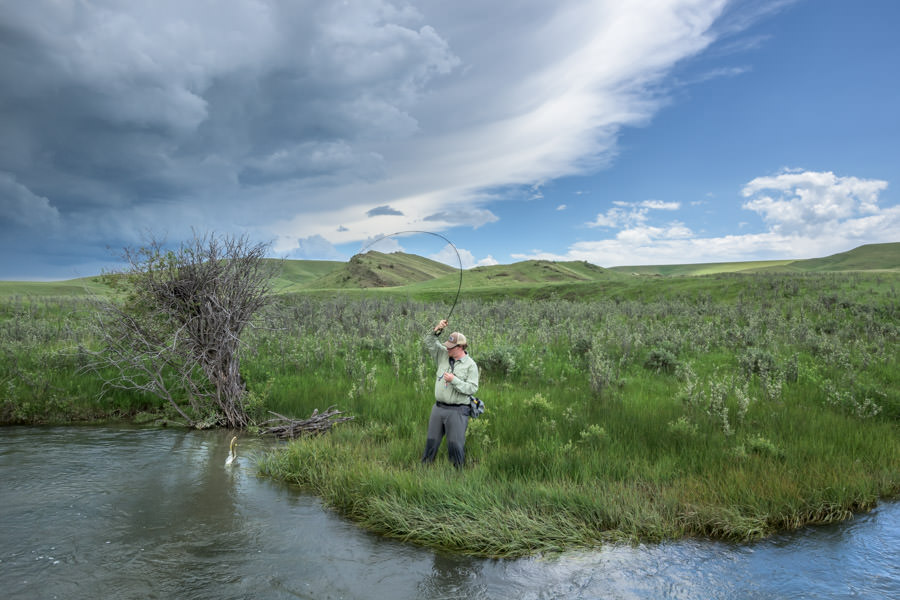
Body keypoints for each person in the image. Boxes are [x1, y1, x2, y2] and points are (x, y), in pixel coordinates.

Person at [421, 319, 479, 467]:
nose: (447, 349)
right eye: (447, 346)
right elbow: (429, 342)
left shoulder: (471, 365)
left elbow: (472, 388)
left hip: (458, 410)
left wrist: (454, 380)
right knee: (431, 442)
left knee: (455, 445)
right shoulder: (442, 355)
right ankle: (424, 470)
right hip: (438, 408)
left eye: (451, 347)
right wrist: (437, 329)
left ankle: (457, 475)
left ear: (460, 347)